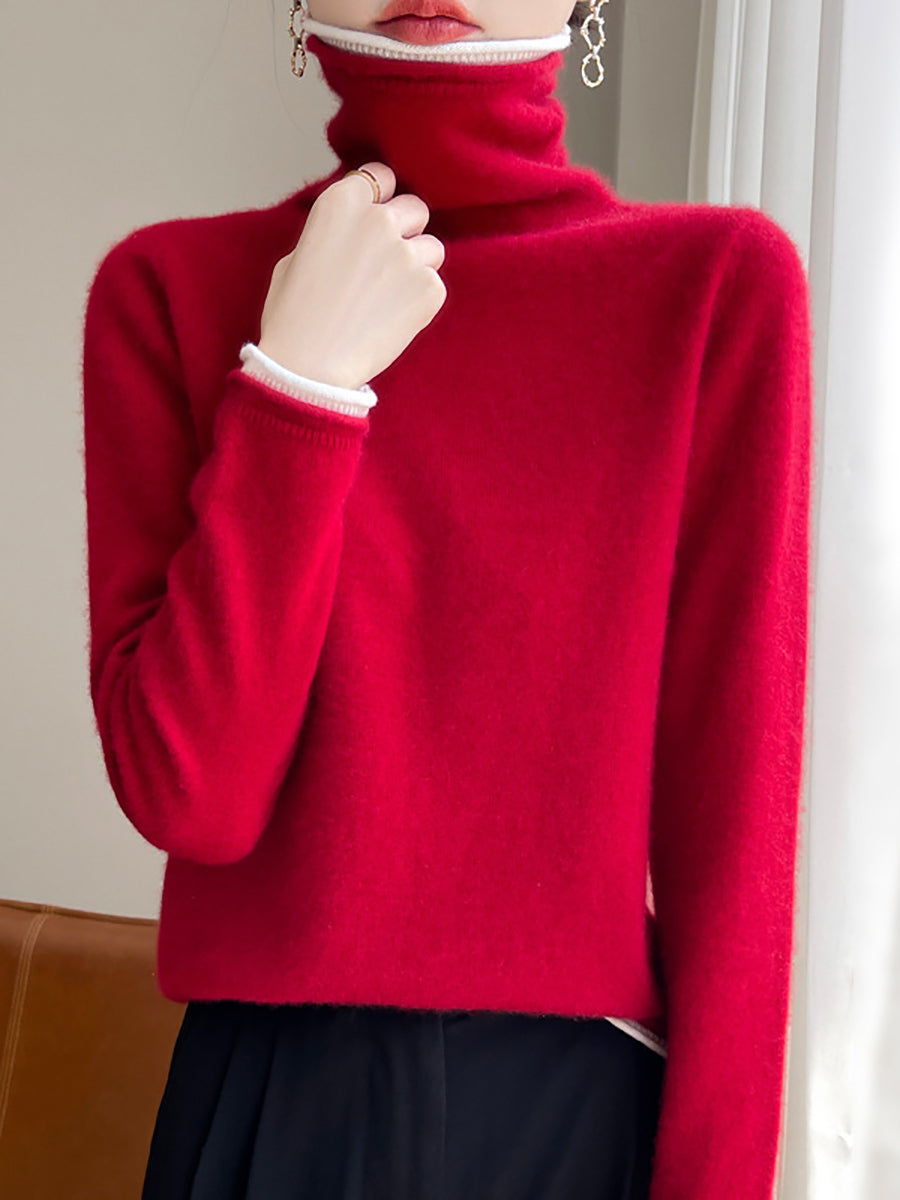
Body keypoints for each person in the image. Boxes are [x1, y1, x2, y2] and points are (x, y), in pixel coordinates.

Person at [80, 0, 814, 1197]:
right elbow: (192, 796)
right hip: (262, 1104)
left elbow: (737, 842)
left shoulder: (714, 289)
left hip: (573, 1116)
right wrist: (298, 386)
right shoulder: (166, 291)